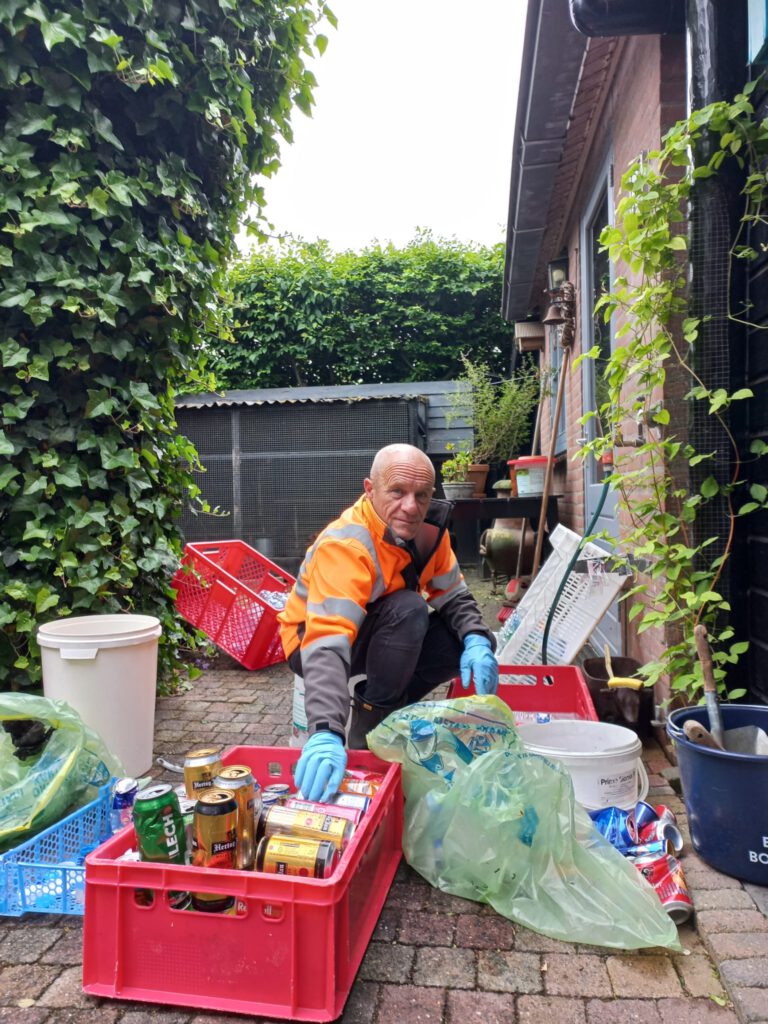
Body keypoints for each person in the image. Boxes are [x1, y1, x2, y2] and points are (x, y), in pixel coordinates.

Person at [278, 443, 498, 803]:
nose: (411, 507)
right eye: (397, 492)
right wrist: (325, 731)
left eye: (421, 495)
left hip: (380, 627)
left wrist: (477, 638)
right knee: (409, 610)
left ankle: (390, 711)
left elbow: (453, 595)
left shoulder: (428, 532)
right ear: (370, 490)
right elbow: (327, 642)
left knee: (462, 637)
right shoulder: (346, 544)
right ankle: (366, 734)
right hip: (311, 643)